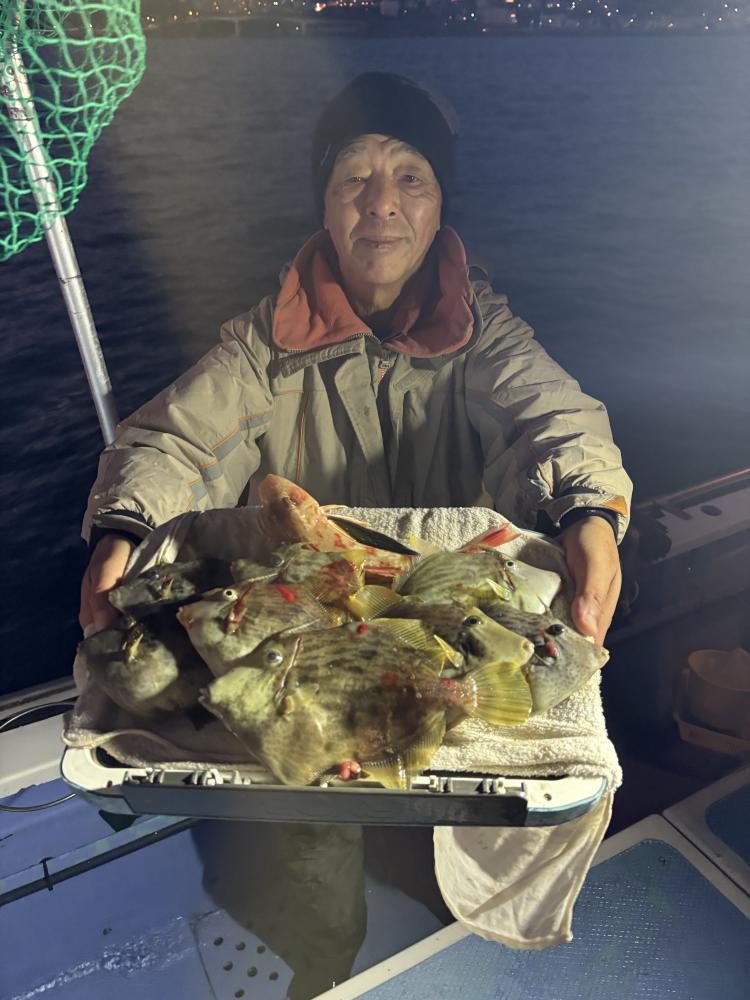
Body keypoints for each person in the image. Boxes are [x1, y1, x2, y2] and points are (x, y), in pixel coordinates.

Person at [80, 72, 632, 646]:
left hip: (449, 627)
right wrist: (125, 528)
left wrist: (588, 511)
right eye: (354, 178)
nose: (381, 203)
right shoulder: (264, 346)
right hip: (303, 633)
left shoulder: (483, 335)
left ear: (440, 206)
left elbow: (552, 418)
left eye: (411, 178)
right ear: (324, 207)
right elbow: (179, 442)